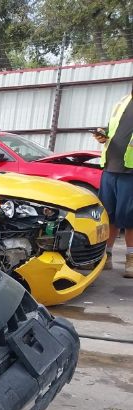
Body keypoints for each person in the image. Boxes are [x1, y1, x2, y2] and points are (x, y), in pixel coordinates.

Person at [93, 85, 133, 278]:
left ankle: (130, 260)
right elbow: (114, 129)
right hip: (110, 167)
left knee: (130, 217)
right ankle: (105, 256)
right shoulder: (121, 102)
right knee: (108, 216)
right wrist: (103, 134)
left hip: (131, 171)